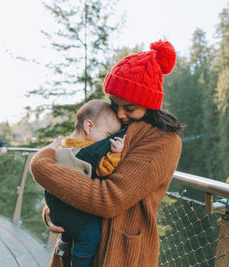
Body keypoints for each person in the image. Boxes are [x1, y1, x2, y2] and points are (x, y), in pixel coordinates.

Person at [30, 40, 183, 267]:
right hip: (77, 244)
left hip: (120, 254)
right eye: (114, 103)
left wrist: (42, 167)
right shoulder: (114, 125)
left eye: (129, 108)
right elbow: (79, 171)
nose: (120, 114)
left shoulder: (162, 140)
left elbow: (109, 199)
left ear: (149, 104)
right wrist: (55, 211)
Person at [45, 99, 125, 266]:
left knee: (67, 236)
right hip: (79, 215)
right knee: (90, 237)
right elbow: (105, 169)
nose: (108, 141)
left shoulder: (62, 147)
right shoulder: (87, 152)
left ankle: (64, 246)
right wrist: (116, 154)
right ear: (89, 127)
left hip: (58, 211)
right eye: (108, 136)